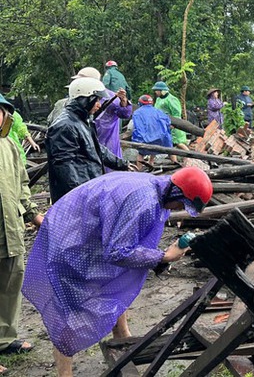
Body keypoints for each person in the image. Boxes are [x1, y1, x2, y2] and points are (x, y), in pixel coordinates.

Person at [22, 166, 212, 377]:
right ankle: (64, 374)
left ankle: (122, 338)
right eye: (182, 203)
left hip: (89, 231)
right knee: (71, 309)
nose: (179, 208)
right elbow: (118, 252)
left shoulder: (157, 189)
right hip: (70, 239)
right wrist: (164, 257)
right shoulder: (144, 201)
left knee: (117, 283)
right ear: (177, 194)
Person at [0, 94, 42, 374]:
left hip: (10, 228)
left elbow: (22, 184)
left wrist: (33, 214)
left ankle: (4, 339)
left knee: (10, 284)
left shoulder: (9, 145)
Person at [46, 77, 132, 203]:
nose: (99, 104)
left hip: (89, 187)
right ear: (85, 100)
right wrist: (82, 197)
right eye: (96, 100)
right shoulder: (65, 126)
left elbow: (96, 148)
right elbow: (66, 169)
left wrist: (122, 164)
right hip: (76, 197)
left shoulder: (83, 121)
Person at [131, 95, 173, 170]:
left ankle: (139, 170)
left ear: (140, 103)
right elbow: (168, 122)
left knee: (141, 154)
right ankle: (152, 162)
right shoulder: (158, 111)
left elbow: (137, 127)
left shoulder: (137, 113)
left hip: (145, 140)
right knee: (163, 146)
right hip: (161, 140)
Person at [152, 81, 189, 162]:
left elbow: (177, 113)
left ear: (162, 91)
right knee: (170, 145)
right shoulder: (158, 99)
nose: (155, 92)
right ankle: (174, 162)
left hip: (173, 126)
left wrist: (173, 124)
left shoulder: (172, 99)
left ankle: (188, 159)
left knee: (179, 144)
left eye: (157, 90)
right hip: (163, 126)